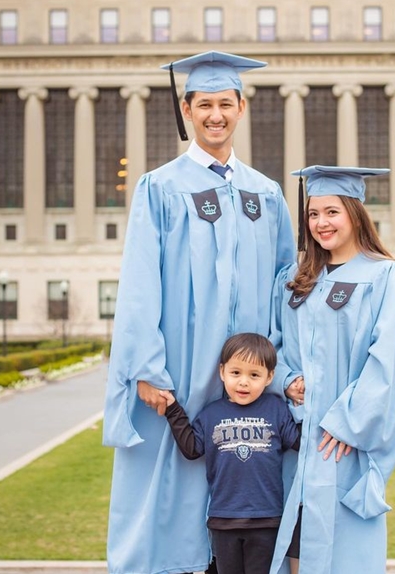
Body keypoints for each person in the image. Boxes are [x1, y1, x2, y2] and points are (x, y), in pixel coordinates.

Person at [103, 51, 298, 574]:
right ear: (187, 110)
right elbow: (140, 283)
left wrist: (288, 362)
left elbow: (287, 281)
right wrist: (145, 367)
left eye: (225, 104)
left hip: (251, 370)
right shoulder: (160, 187)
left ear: (242, 108)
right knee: (175, 469)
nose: (216, 114)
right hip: (183, 367)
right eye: (204, 104)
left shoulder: (267, 192)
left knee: (249, 472)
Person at [267, 166, 395, 574]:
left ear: (355, 213)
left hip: (343, 444)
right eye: (313, 213)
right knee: (294, 551)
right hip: (296, 444)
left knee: (345, 554)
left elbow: (394, 363)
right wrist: (286, 381)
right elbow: (273, 345)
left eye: (332, 211)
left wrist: (349, 423)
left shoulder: (385, 277)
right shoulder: (294, 281)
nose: (321, 223)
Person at [163, 333, 301, 574]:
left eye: (254, 375)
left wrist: (305, 404)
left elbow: (300, 442)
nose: (244, 382)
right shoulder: (211, 414)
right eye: (236, 373)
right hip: (223, 520)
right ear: (222, 371)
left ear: (269, 377)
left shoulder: (276, 409)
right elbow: (192, 449)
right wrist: (172, 410)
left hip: (266, 520)